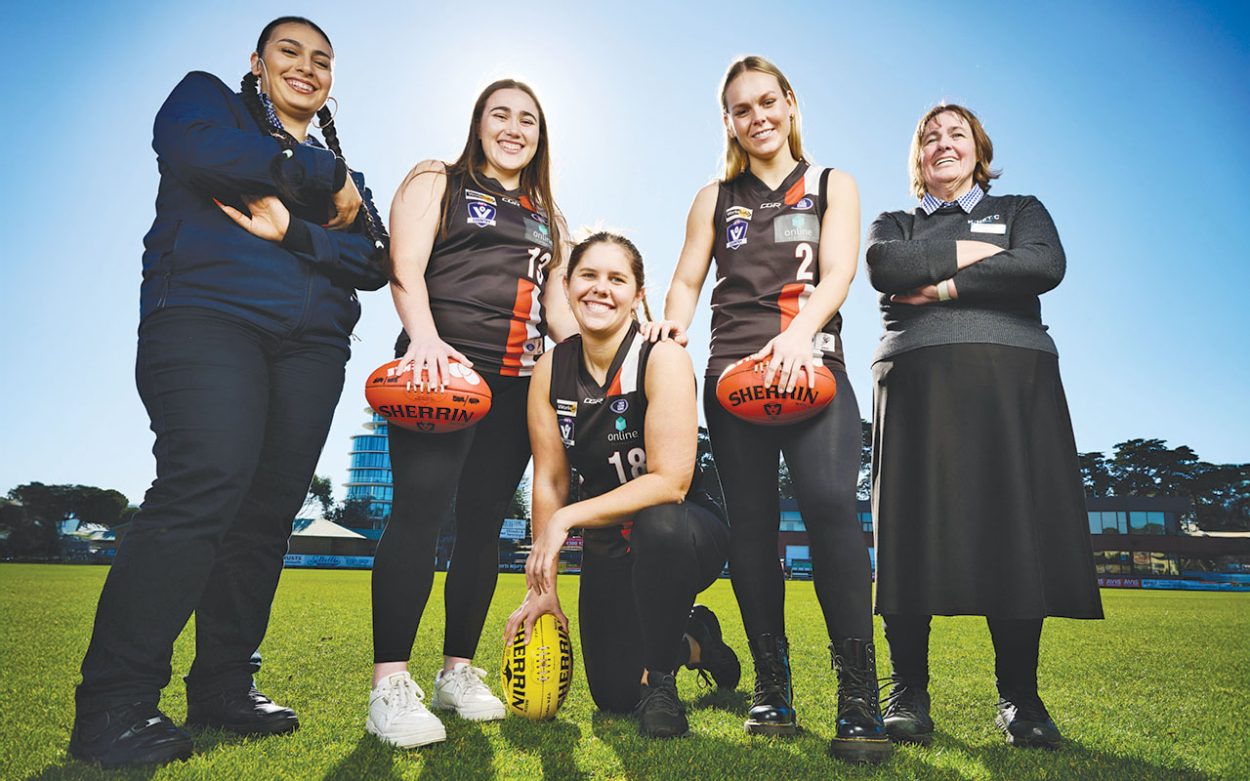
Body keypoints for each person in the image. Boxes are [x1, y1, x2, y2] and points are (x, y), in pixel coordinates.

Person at [70, 16, 389, 769]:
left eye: (322, 60)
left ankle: (222, 686)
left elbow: (372, 258)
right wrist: (320, 182)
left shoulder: (351, 173)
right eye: (290, 53)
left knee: (266, 515)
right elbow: (197, 151)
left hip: (313, 349)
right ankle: (113, 704)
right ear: (257, 61)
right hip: (208, 320)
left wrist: (295, 232)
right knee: (204, 482)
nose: (307, 68)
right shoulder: (207, 101)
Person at [644, 56, 890, 763]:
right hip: (735, 379)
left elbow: (839, 271)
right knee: (751, 527)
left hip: (814, 369)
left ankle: (857, 696)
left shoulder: (831, 184)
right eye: (740, 109)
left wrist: (798, 334)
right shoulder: (715, 198)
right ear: (729, 121)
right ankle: (773, 687)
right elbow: (688, 277)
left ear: (789, 103)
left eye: (766, 102)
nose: (756, 117)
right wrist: (673, 325)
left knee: (828, 505)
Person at [865, 104, 1103, 749]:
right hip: (914, 379)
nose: (944, 144)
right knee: (908, 530)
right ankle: (907, 689)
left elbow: (1043, 266)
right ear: (918, 157)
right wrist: (981, 253)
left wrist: (939, 284)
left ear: (980, 150)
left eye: (957, 135)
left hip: (1014, 380)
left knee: (1013, 527)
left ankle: (1019, 698)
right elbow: (886, 269)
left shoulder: (1023, 208)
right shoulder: (896, 222)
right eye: (930, 138)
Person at [365, 80, 576, 748]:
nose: (514, 128)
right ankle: (389, 683)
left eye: (528, 120)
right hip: (441, 372)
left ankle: (456, 670)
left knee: (484, 525)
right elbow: (406, 264)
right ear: (478, 124)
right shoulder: (438, 178)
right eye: (500, 115)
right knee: (420, 514)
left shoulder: (550, 216)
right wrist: (423, 339)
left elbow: (559, 308)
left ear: (540, 136)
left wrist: (599, 365)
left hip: (517, 384)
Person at [505, 232, 739, 739]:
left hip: (686, 528)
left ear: (637, 295)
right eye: (588, 276)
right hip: (612, 536)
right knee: (612, 696)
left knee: (658, 520)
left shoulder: (660, 356)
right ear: (567, 287)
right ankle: (696, 638)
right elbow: (549, 476)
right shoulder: (552, 368)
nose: (600, 290)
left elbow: (671, 482)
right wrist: (543, 591)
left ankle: (661, 682)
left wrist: (568, 518)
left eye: (617, 279)